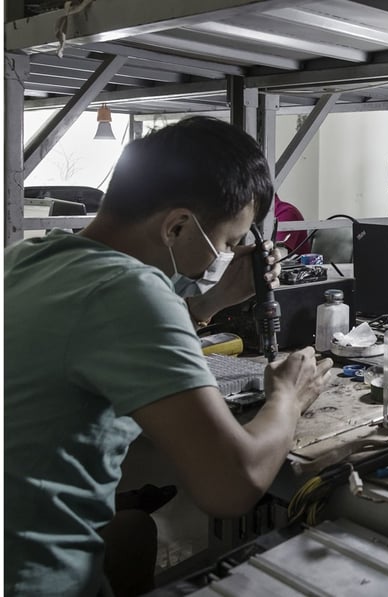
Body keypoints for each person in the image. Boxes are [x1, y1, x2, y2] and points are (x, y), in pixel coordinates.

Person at [4, 117, 334, 596]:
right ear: (177, 226)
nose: (224, 255)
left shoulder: (28, 258)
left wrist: (213, 301)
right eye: (226, 243)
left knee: (134, 534)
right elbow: (231, 485)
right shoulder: (130, 290)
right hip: (33, 580)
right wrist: (287, 397)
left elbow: (108, 333)